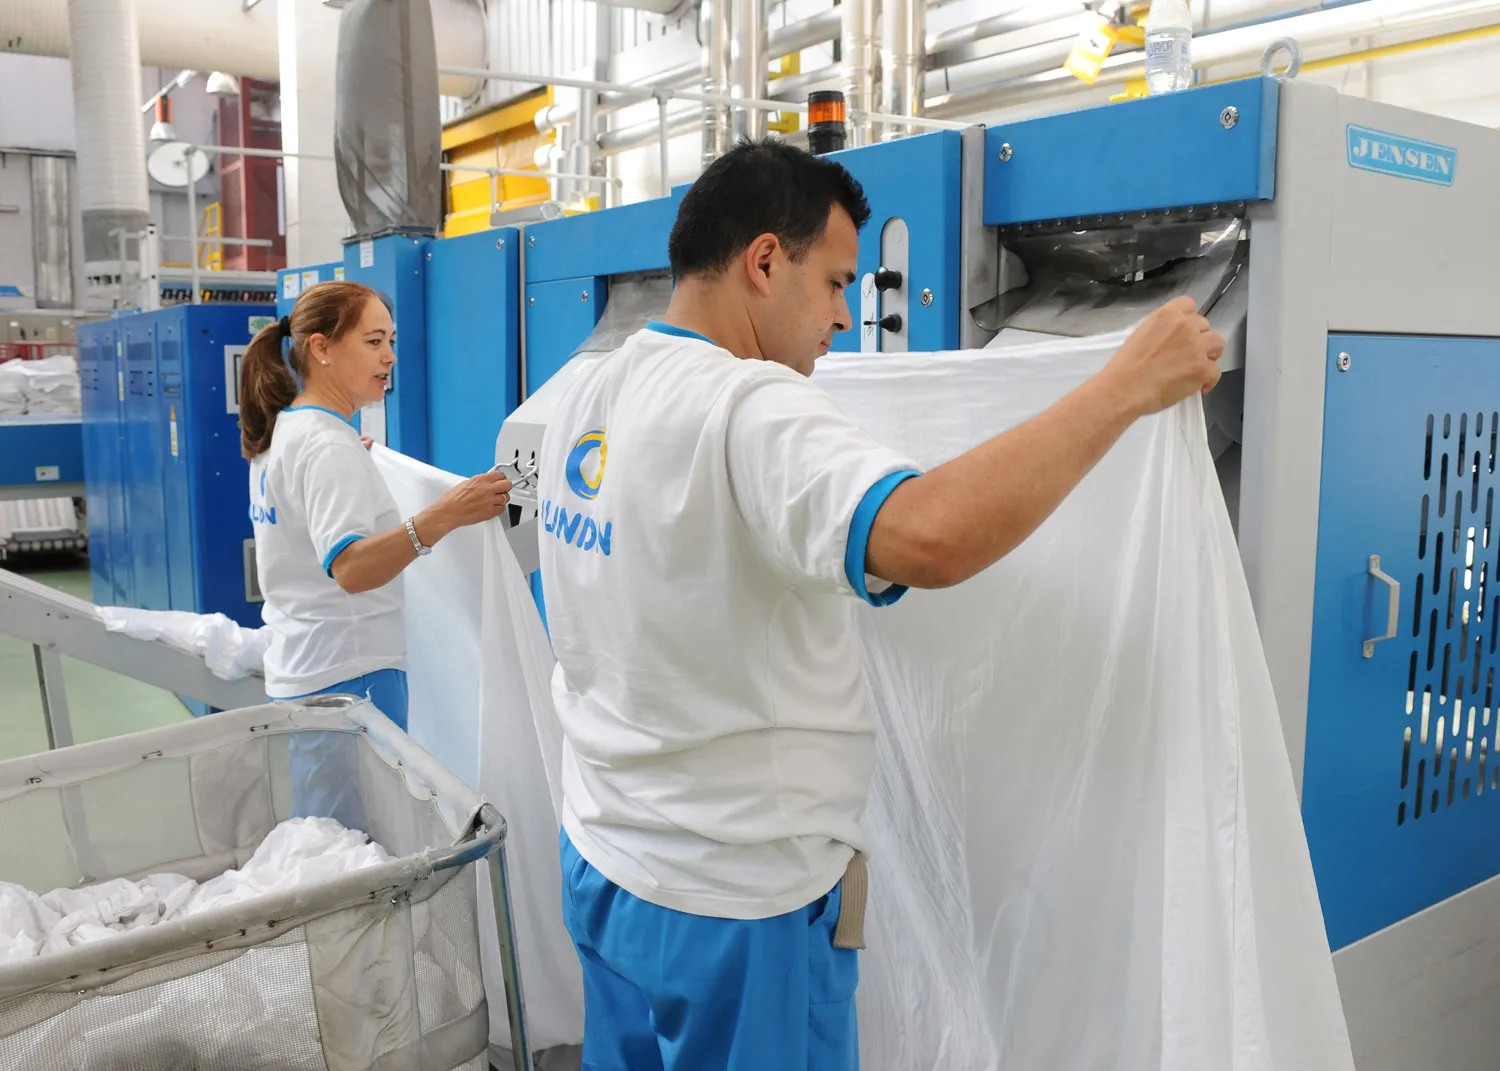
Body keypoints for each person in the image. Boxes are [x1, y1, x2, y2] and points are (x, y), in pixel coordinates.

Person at [537, 139, 1224, 1071]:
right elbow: (929, 535)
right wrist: (1124, 386)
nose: (844, 317)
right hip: (736, 906)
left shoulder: (586, 387)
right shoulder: (755, 409)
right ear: (764, 261)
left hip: (606, 861)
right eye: (833, 283)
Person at [239, 280, 512, 824]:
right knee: (356, 854)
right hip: (350, 678)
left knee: (327, 837)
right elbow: (353, 568)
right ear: (321, 348)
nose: (389, 357)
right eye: (372, 341)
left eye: (391, 340)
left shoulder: (289, 431)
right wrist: (447, 512)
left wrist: (355, 467)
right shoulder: (324, 446)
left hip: (310, 669)